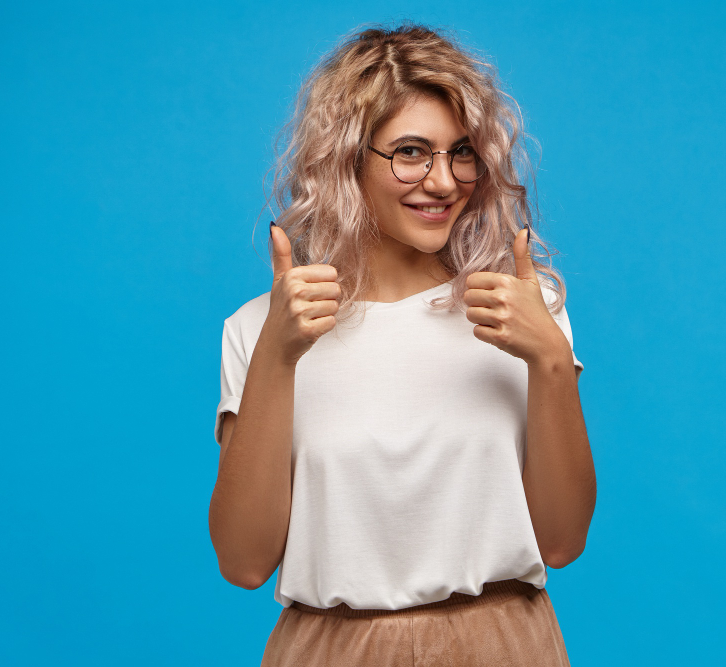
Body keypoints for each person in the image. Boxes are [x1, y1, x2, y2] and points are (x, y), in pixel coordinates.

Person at [209, 23, 596, 666]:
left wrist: (552, 359)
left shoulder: (524, 313)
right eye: (412, 152)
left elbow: (560, 542)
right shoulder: (259, 328)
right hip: (331, 649)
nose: (443, 182)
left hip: (504, 646)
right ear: (346, 158)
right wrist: (278, 358)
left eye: (462, 152)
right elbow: (244, 562)